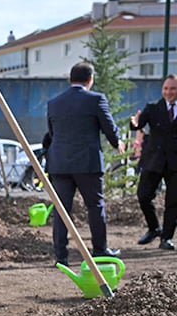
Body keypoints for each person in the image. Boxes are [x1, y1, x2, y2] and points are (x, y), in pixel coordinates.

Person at [44, 62, 123, 265]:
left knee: (62, 210)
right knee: (95, 206)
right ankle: (99, 250)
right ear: (90, 79)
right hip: (87, 164)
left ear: (71, 79)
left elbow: (52, 133)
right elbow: (108, 126)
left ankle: (61, 256)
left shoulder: (54, 103)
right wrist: (117, 142)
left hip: (60, 164)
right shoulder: (96, 99)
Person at [129, 75, 177, 251]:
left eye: (172, 88)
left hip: (175, 163)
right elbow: (137, 124)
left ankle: (166, 238)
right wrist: (134, 123)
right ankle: (154, 228)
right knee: (143, 196)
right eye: (166, 88)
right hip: (154, 160)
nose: (168, 92)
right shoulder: (152, 108)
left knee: (173, 202)